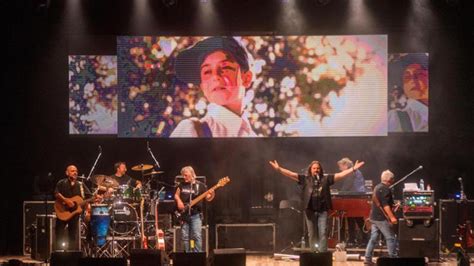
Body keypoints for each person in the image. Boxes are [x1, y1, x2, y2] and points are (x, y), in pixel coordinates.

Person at [269, 159, 365, 252]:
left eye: (318, 168)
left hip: (322, 211)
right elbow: (291, 174)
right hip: (310, 210)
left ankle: (322, 254)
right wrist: (279, 169)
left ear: (321, 169)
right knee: (312, 234)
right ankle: (313, 254)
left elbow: (340, 175)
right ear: (311, 170)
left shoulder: (326, 178)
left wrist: (353, 169)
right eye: (314, 168)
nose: (316, 170)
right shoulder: (305, 179)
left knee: (322, 233)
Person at [171, 36, 256, 137]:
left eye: (225, 67)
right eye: (207, 72)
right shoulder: (193, 130)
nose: (215, 76)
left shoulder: (253, 137)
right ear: (202, 86)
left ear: (246, 78)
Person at [54, 165, 98, 250]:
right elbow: (56, 193)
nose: (75, 172)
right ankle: (58, 254)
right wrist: (66, 200)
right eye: (72, 171)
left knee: (72, 235)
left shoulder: (81, 185)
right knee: (59, 234)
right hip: (62, 211)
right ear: (67, 173)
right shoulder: (61, 182)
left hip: (74, 214)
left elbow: (89, 197)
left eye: (76, 171)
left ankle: (71, 256)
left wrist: (95, 198)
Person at [174, 166, 215, 252]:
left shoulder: (201, 186)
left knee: (197, 236)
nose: (184, 177)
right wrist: (179, 201)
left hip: (196, 215)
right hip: (184, 215)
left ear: (192, 174)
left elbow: (208, 198)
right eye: (183, 176)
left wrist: (212, 194)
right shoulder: (181, 185)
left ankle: (197, 259)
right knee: (185, 237)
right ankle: (187, 258)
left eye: (186, 175)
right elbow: (176, 195)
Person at [364, 170, 398, 265]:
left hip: (374, 218)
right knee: (390, 238)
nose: (393, 180)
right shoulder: (386, 189)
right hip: (381, 218)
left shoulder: (377, 187)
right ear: (390, 179)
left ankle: (367, 259)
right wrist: (392, 217)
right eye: (393, 179)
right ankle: (393, 259)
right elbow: (385, 205)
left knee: (373, 238)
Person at [336, 157, 368, 247]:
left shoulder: (351, 172)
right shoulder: (354, 171)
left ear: (346, 165)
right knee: (354, 219)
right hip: (357, 196)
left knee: (356, 219)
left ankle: (358, 240)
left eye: (341, 167)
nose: (340, 169)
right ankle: (354, 240)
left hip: (355, 197)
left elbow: (347, 186)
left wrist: (339, 193)